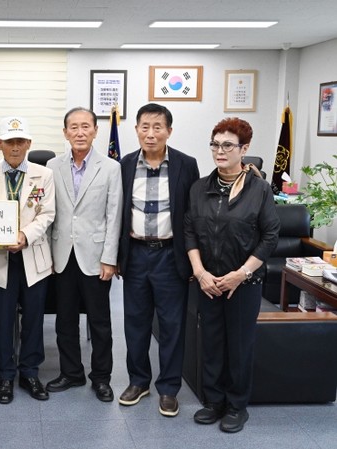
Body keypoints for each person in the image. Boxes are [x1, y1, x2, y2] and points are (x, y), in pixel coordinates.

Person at [184, 117, 279, 433]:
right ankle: (214, 401)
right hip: (208, 281)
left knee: (239, 345)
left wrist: (241, 273)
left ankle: (237, 406)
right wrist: (200, 272)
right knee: (211, 343)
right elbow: (189, 231)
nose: (220, 151)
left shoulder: (259, 189)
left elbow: (270, 236)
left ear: (244, 148)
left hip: (244, 282)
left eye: (227, 145)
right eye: (215, 144)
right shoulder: (199, 188)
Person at [117, 103, 199, 417]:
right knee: (135, 323)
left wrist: (192, 259)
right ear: (136, 129)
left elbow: (192, 216)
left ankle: (169, 388)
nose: (150, 134)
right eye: (145, 127)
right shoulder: (124, 164)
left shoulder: (186, 164)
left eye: (157, 127)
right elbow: (118, 214)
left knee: (172, 325)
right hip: (136, 255)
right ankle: (139, 381)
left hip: (170, 255)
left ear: (169, 131)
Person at [45, 107, 123, 402]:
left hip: (96, 256)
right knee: (65, 320)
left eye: (85, 126)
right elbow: (48, 213)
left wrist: (110, 258)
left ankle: (101, 378)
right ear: (65, 132)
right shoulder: (52, 166)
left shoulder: (110, 168)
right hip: (62, 254)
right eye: (74, 127)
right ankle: (71, 373)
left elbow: (114, 216)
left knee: (99, 323)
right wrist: (48, 256)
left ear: (95, 131)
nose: (80, 132)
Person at [0, 117, 55, 404]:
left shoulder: (43, 175)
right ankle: (6, 375)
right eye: (9, 141)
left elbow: (47, 214)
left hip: (33, 256)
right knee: (2, 320)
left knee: (33, 319)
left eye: (20, 141)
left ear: (29, 144)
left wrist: (24, 235)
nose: (15, 147)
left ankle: (30, 373)